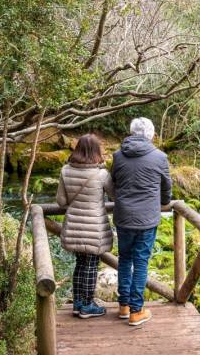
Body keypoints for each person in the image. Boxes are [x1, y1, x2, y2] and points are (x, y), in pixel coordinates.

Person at [111, 117, 172, 326]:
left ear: (131, 132)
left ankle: (124, 306)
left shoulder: (118, 155)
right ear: (151, 134)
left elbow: (115, 181)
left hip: (123, 216)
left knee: (125, 259)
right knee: (141, 262)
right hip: (146, 218)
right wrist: (164, 202)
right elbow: (166, 187)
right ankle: (137, 311)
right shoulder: (160, 157)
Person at [56, 134, 114, 318]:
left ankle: (78, 302)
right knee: (91, 265)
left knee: (80, 264)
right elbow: (114, 195)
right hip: (94, 226)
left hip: (73, 224)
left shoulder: (66, 170)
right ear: (97, 150)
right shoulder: (102, 174)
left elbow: (60, 201)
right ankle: (87, 306)